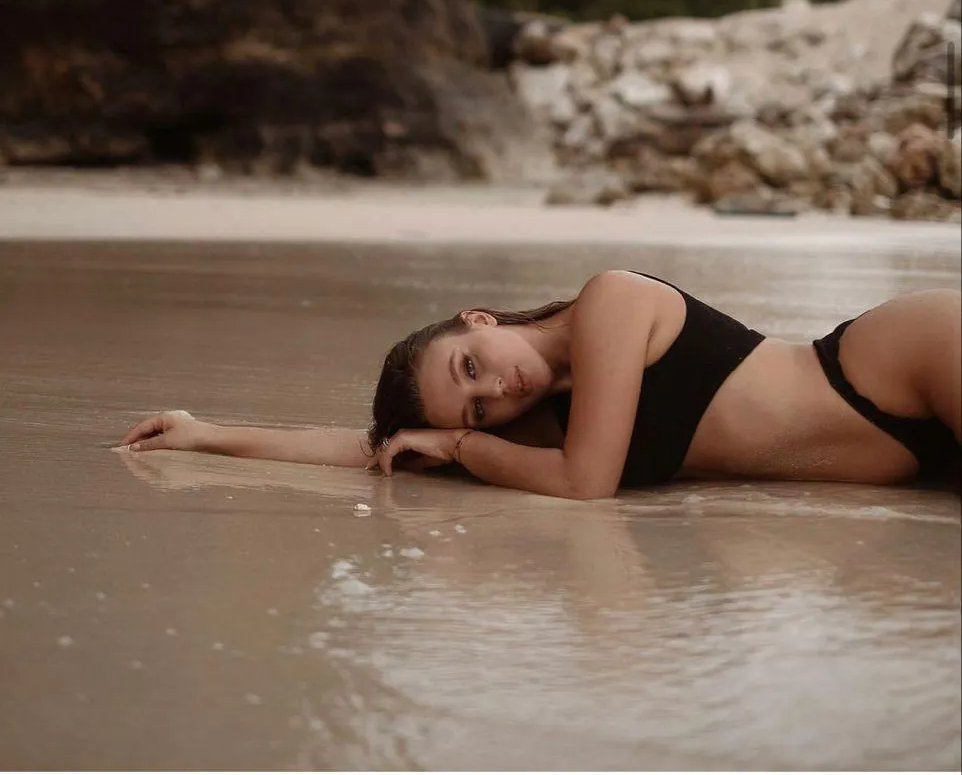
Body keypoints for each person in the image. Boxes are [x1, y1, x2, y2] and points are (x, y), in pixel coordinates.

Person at [119, 270, 961, 498]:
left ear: (478, 319)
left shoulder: (612, 301)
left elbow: (587, 485)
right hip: (913, 451)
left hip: (893, 363)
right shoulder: (539, 430)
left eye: (471, 366)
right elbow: (365, 450)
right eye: (479, 403)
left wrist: (460, 441)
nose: (497, 389)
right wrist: (207, 433)